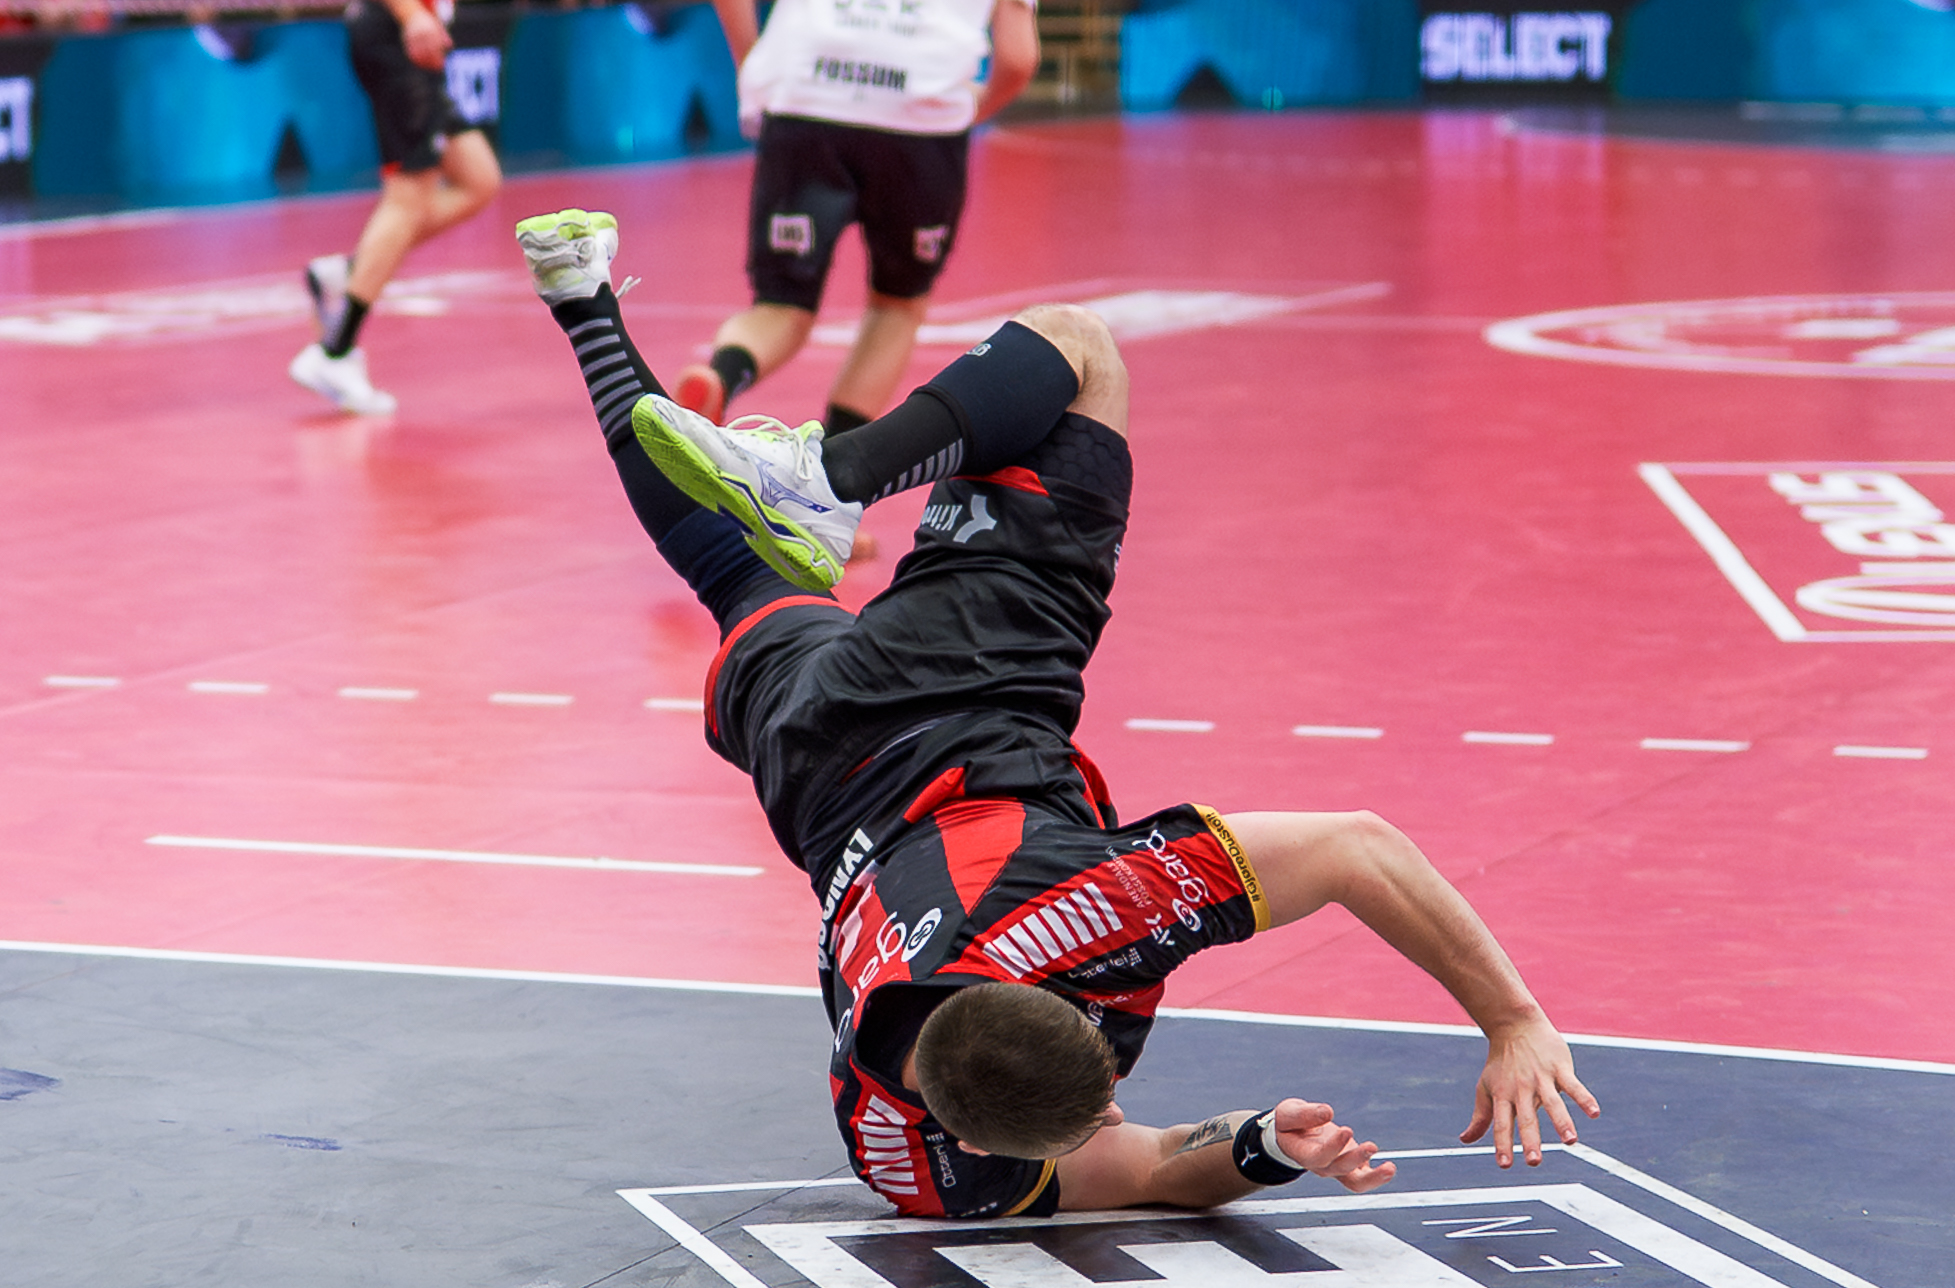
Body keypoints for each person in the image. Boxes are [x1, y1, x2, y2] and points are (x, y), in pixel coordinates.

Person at [517, 208, 1600, 1219]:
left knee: (1076, 354)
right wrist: (1262, 1146)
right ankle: (580, 299)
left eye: (1099, 1107)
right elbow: (1145, 1168)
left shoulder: (1094, 913)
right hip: (816, 768)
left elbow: (1359, 849)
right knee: (730, 570)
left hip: (960, 686)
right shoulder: (892, 1146)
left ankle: (826, 478)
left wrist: (1512, 1021)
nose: (1119, 1110)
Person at [670, 0, 1040, 442]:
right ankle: (836, 459)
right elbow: (1018, 59)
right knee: (896, 305)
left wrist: (754, 61)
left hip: (807, 94)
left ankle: (721, 376)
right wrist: (969, 109)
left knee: (780, 305)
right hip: (920, 113)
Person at [290, 0, 502, 416]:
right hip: (398, 36)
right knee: (409, 196)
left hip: (416, 40)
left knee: (479, 180)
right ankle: (334, 353)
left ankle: (348, 273)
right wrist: (411, 15)